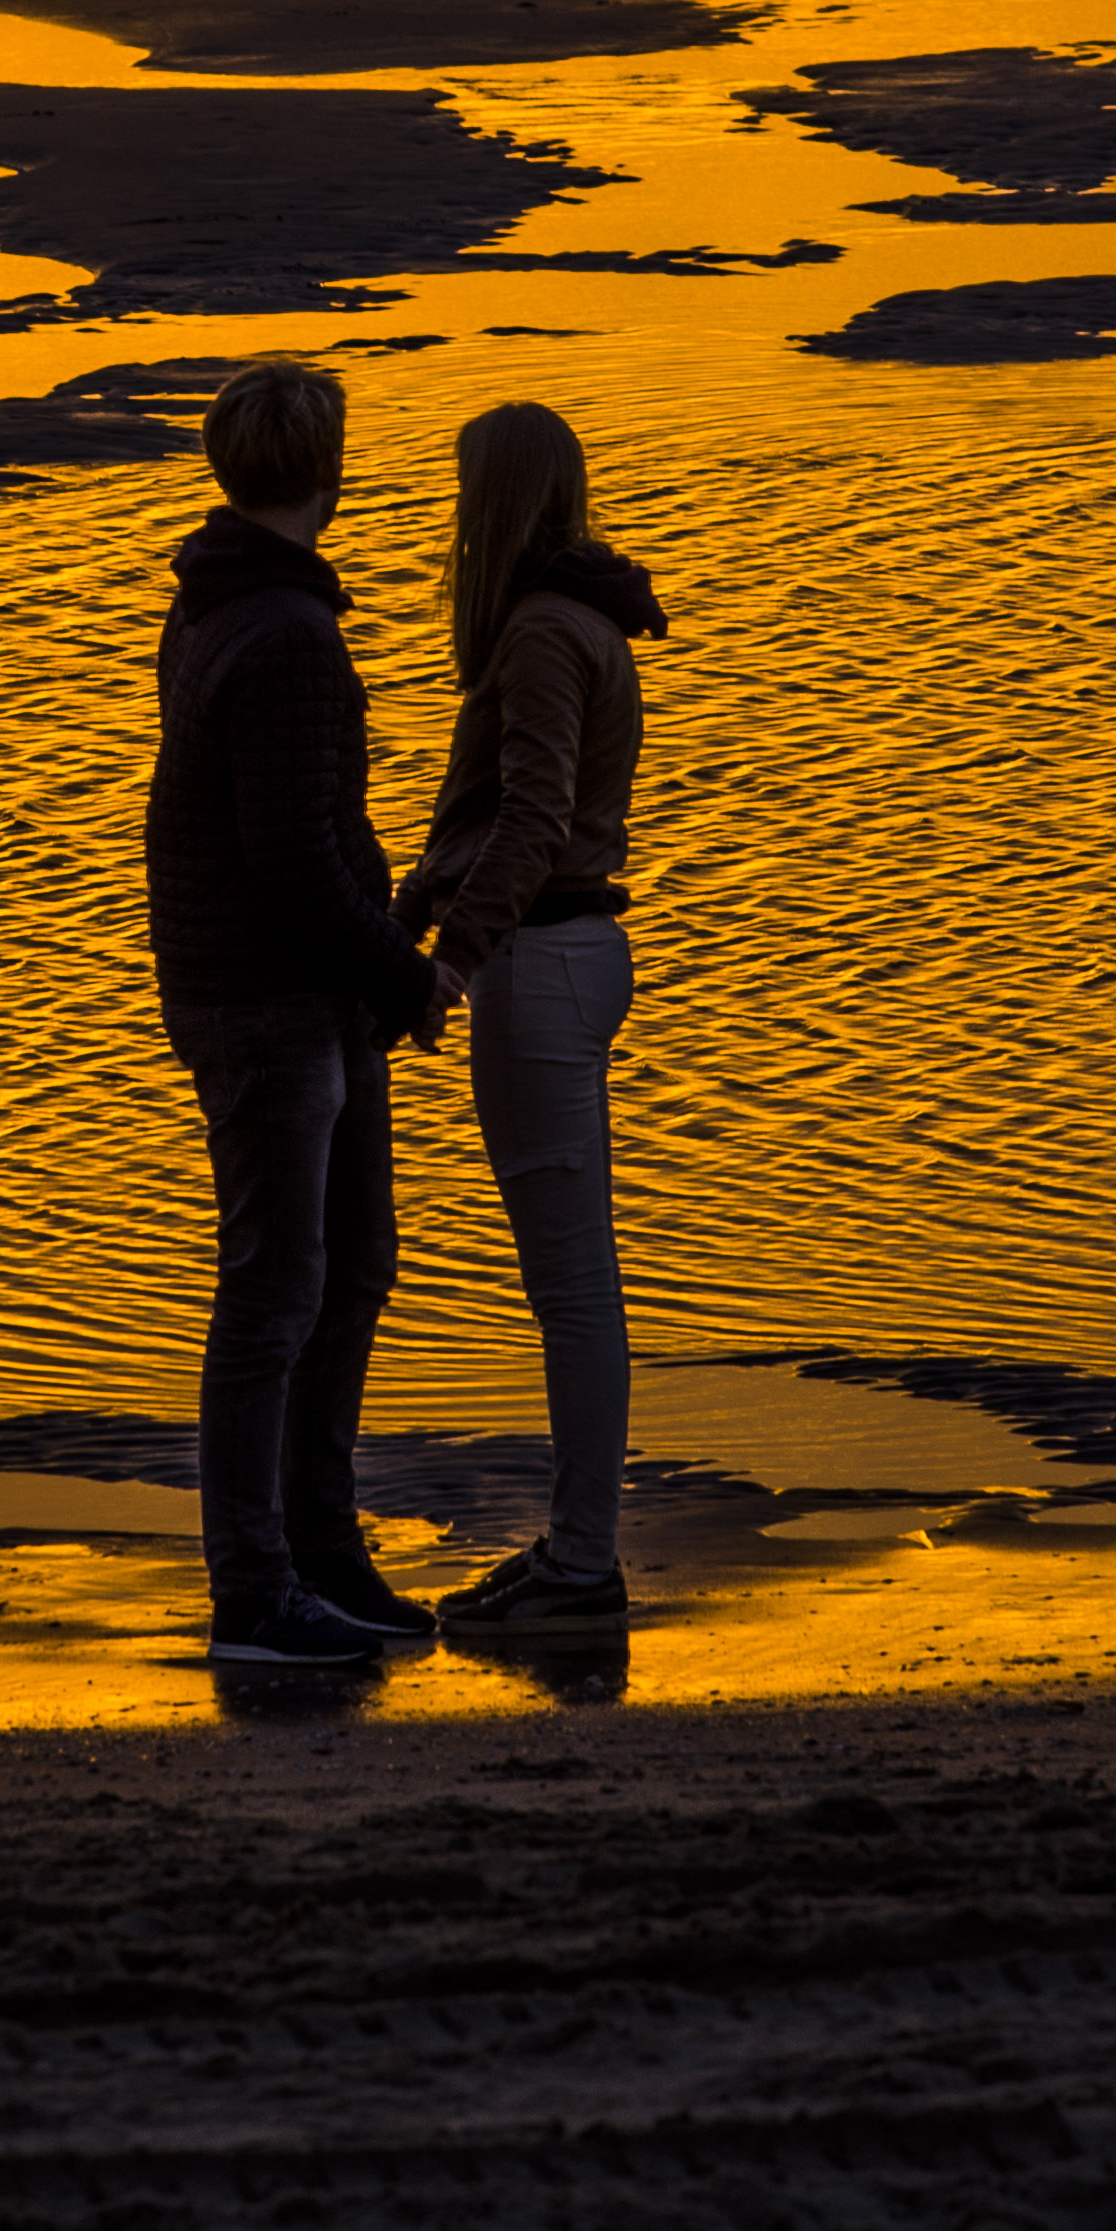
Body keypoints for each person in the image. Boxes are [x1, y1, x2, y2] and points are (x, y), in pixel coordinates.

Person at [145, 356, 452, 1669]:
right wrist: (407, 970)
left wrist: (372, 971)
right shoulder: (284, 637)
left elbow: (298, 843)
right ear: (329, 473)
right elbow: (294, 855)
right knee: (277, 1287)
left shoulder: (227, 609)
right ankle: (254, 1588)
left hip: (286, 993)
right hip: (270, 1000)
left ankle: (322, 1549)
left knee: (352, 1268)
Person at [398, 400, 659, 1636]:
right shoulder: (565, 617)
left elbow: (535, 812)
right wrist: (408, 912)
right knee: (574, 1279)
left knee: (569, 1285)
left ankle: (581, 1559)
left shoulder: (548, 632)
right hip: (564, 955)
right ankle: (572, 1547)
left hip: (544, 963)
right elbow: (487, 812)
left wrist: (453, 956)